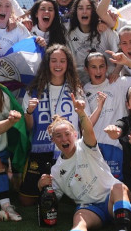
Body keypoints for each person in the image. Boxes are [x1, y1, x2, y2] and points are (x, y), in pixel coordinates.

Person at [40, 97, 131, 231]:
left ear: (75, 134)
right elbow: (51, 201)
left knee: (120, 187)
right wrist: (42, 186)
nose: (64, 139)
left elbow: (89, 130)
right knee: (79, 217)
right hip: (90, 209)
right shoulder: (56, 171)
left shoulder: (85, 146)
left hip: (110, 200)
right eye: (58, 136)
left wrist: (81, 112)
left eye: (67, 134)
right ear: (53, 140)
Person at [19, 44, 83, 206]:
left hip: (67, 151)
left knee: (70, 200)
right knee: (26, 200)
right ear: (47, 63)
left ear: (68, 64)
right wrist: (29, 112)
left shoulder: (75, 89)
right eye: (54, 60)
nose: (58, 65)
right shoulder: (33, 90)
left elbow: (84, 121)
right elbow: (28, 127)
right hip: (40, 149)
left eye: (62, 61)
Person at [83, 52, 131, 178]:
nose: (98, 71)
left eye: (102, 66)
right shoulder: (84, 89)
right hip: (94, 148)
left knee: (117, 187)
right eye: (93, 67)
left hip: (117, 147)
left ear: (107, 67)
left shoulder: (118, 82)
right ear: (86, 69)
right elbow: (86, 123)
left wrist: (128, 62)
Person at [65, 0, 118, 81]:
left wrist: (115, 73)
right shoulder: (71, 36)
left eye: (88, 8)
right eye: (80, 8)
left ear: (94, 11)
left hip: (108, 82)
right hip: (82, 83)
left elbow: (119, 56)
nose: (84, 11)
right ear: (76, 12)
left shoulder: (105, 32)